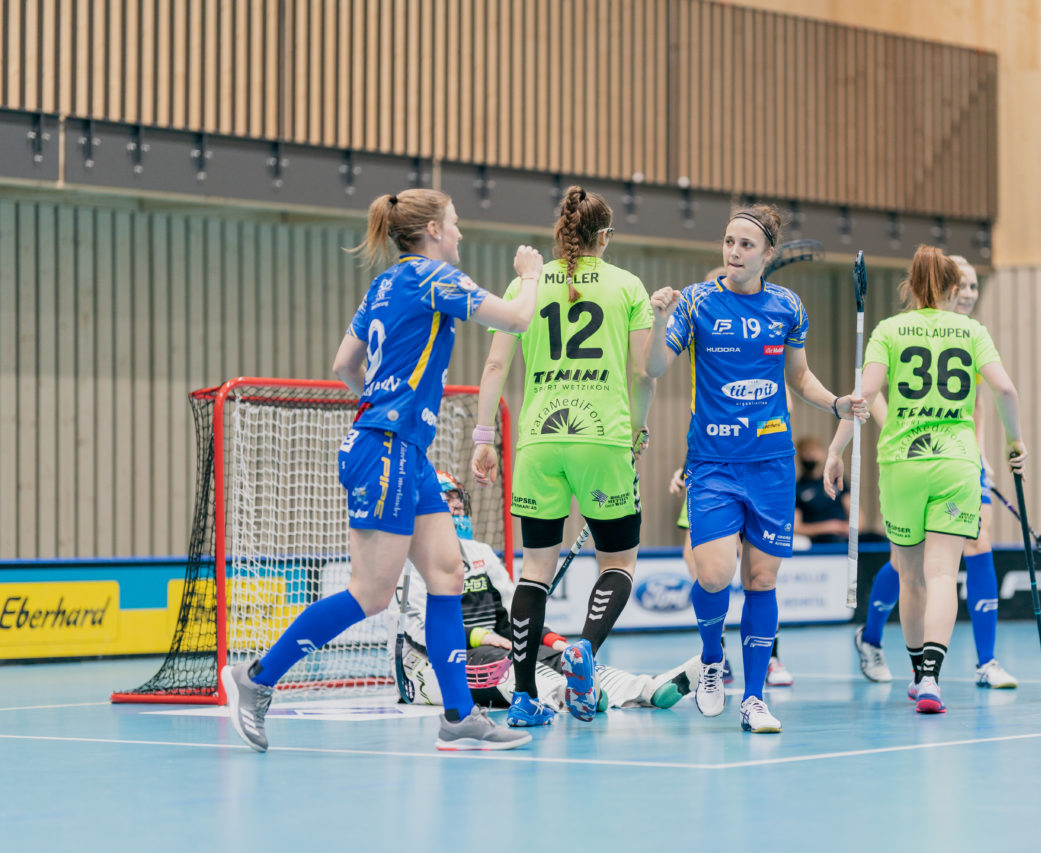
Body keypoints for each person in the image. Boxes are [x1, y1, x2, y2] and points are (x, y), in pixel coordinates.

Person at [219, 188, 544, 752]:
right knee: (370, 593)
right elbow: (517, 319)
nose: (461, 234)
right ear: (435, 231)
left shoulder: (385, 284)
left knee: (446, 573)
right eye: (457, 224)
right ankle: (257, 678)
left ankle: (458, 715)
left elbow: (345, 363)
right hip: (387, 450)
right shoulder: (434, 278)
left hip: (403, 449)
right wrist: (531, 273)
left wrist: (381, 402)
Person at [644, 203, 858, 733]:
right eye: (728, 242)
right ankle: (712, 661)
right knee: (714, 574)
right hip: (713, 463)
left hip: (772, 464)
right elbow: (650, 367)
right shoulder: (694, 303)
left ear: (766, 254)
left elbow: (801, 377)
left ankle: (755, 697)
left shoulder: (788, 307)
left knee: (761, 579)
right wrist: (658, 318)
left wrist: (835, 404)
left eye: (745, 245)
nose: (733, 252)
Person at [472, 186, 655, 727]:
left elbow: (493, 367)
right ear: (605, 237)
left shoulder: (525, 284)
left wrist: (485, 436)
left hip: (539, 440)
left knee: (534, 572)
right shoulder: (628, 286)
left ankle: (526, 698)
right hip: (602, 438)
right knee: (618, 563)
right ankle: (586, 651)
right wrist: (638, 432)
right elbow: (643, 374)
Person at [828, 245, 1025, 714]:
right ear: (953, 287)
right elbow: (1005, 389)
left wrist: (836, 450)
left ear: (911, 287)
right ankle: (933, 679)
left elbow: (863, 397)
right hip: (957, 463)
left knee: (911, 576)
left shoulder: (889, 330)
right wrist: (1015, 443)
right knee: (942, 575)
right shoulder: (971, 330)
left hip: (902, 465)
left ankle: (917, 674)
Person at [395, 472, 701, 713]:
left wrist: (549, 637)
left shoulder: (481, 554)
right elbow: (418, 632)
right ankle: (570, 695)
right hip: (428, 665)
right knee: (506, 662)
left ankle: (644, 689)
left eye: (458, 498)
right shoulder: (408, 561)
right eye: (447, 499)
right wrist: (480, 637)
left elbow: (511, 616)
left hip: (497, 647)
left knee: (548, 655)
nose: (457, 505)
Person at [795, 435, 850, 545]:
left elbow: (855, 511)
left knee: (876, 539)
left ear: (822, 453)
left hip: (845, 535)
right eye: (805, 452)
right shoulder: (798, 488)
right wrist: (830, 527)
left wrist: (852, 529)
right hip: (822, 540)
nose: (809, 456)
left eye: (812, 451)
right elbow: (796, 527)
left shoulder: (837, 480)